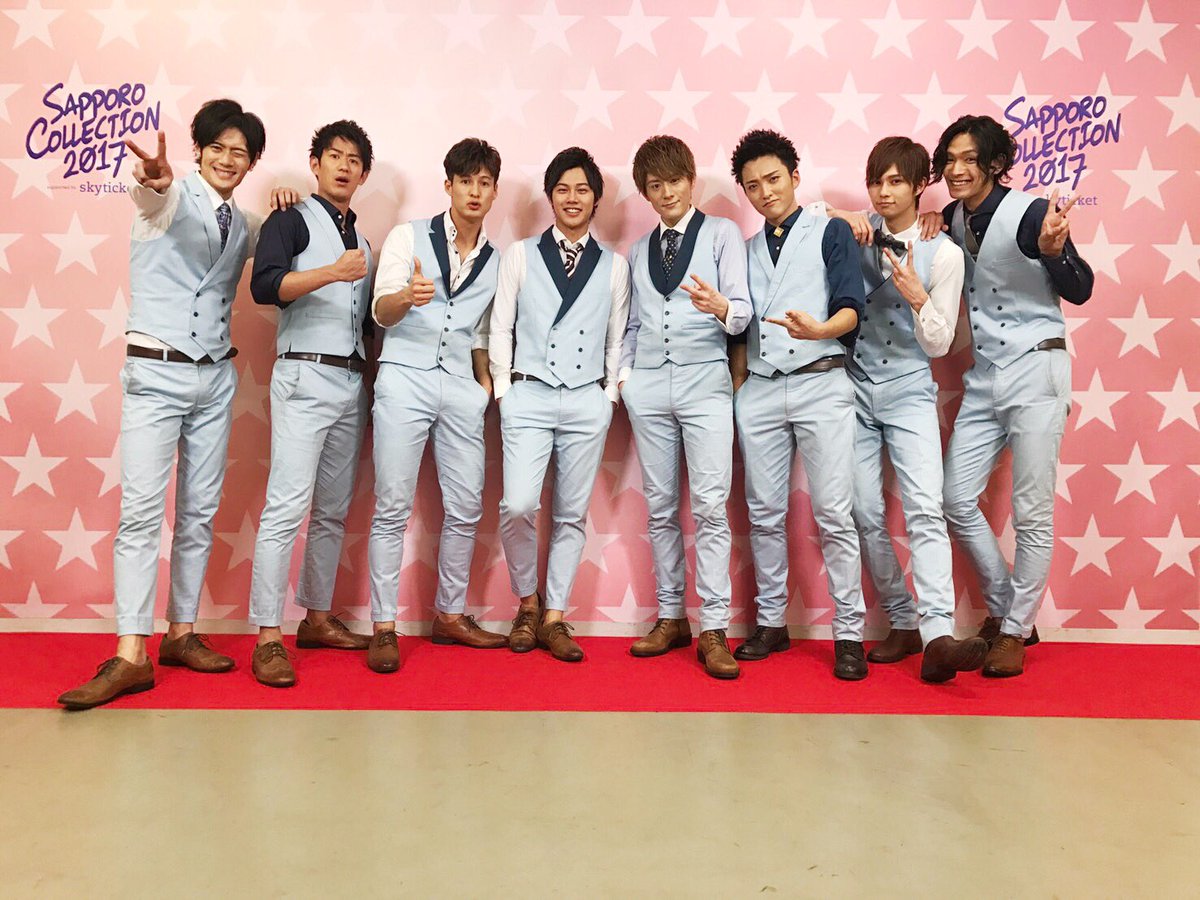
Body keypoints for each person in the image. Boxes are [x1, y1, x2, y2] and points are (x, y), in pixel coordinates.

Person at [58, 100, 277, 710]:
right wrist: (152, 178)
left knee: (199, 512)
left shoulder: (247, 221)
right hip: (156, 372)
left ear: (251, 162)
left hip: (216, 377)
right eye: (218, 148)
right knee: (141, 514)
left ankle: (181, 633)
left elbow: (278, 243)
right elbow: (152, 194)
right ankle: (132, 652)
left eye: (241, 152)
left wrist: (289, 203)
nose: (228, 160)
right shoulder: (169, 198)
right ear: (197, 150)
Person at [924, 114, 1093, 677]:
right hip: (985, 374)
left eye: (968, 159)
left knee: (1032, 513)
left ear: (996, 163)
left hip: (1037, 369)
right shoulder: (951, 218)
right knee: (954, 498)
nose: (955, 169)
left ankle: (1013, 632)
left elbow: (1081, 288)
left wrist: (1052, 251)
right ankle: (1008, 611)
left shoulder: (1033, 213)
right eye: (949, 160)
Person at [825, 136, 987, 682]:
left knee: (924, 508)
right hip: (853, 388)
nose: (883, 192)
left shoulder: (945, 253)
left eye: (896, 181)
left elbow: (939, 345)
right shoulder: (854, 232)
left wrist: (917, 294)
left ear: (921, 185)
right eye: (876, 181)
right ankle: (901, 620)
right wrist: (844, 214)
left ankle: (938, 634)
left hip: (911, 389)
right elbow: (809, 216)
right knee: (862, 511)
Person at [728, 129, 871, 680]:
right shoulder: (744, 249)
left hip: (821, 379)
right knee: (763, 512)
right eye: (752, 186)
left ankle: (849, 633)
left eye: (773, 179)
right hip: (761, 387)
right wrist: (741, 385)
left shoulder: (830, 230)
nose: (765, 192)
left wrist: (820, 331)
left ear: (794, 176)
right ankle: (771, 621)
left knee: (834, 512)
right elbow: (739, 324)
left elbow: (852, 307)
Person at [366, 138, 508, 674]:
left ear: (494, 192)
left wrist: (483, 382)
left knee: (467, 505)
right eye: (465, 180)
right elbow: (381, 311)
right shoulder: (408, 236)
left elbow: (482, 331)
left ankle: (450, 614)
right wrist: (408, 296)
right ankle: (384, 626)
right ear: (448, 185)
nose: (474, 191)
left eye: (484, 183)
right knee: (392, 505)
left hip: (460, 388)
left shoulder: (496, 260)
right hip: (404, 378)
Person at [245, 120, 376, 688]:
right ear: (315, 164)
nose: (344, 166)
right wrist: (330, 273)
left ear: (363, 174)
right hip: (303, 373)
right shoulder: (290, 218)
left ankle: (317, 617)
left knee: (332, 508)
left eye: (354, 160)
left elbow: (365, 321)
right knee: (285, 506)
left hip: (350, 380)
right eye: (334, 156)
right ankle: (267, 636)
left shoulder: (363, 241)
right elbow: (264, 287)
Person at [489, 147, 631, 662]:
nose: (573, 198)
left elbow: (617, 337)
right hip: (528, 393)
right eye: (563, 189)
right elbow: (500, 326)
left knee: (571, 514)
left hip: (586, 399)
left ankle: (554, 617)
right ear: (550, 197)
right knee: (519, 504)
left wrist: (607, 396)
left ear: (595, 199)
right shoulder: (521, 254)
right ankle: (527, 603)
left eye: (583, 190)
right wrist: (505, 392)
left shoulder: (614, 266)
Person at [619, 135, 750, 679]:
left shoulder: (722, 234)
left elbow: (742, 310)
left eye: (674, 181)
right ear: (645, 193)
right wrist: (627, 379)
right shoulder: (637, 250)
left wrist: (721, 307)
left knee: (712, 506)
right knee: (659, 506)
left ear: (690, 181)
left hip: (705, 382)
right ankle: (671, 616)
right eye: (655, 185)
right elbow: (631, 324)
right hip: (649, 386)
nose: (667, 192)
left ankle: (714, 626)